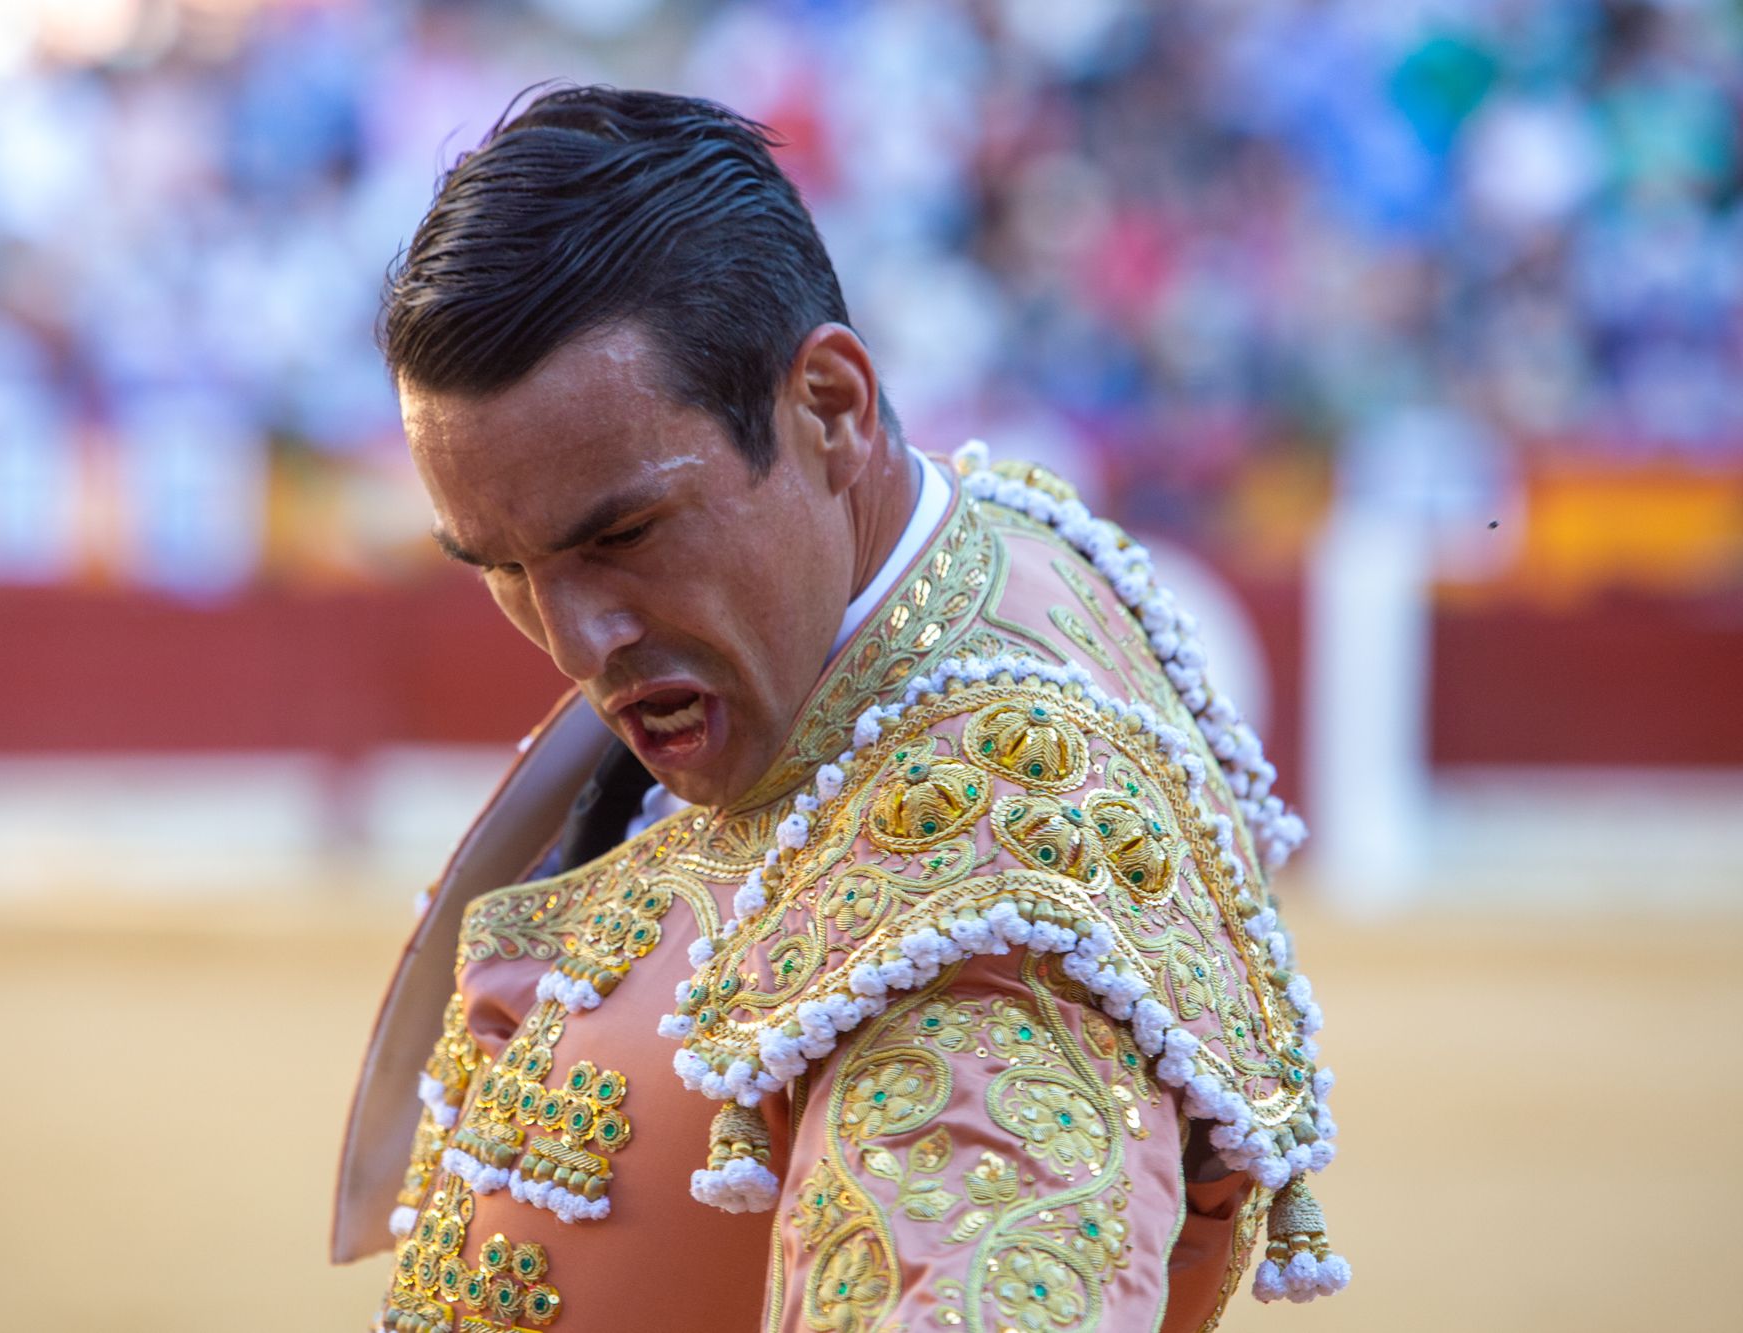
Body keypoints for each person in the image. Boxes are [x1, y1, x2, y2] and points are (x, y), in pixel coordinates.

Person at [334, 86, 1347, 1333]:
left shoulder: (982, 883)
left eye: (625, 532)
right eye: (498, 567)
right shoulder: (952, 560)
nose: (576, 640)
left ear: (828, 406)